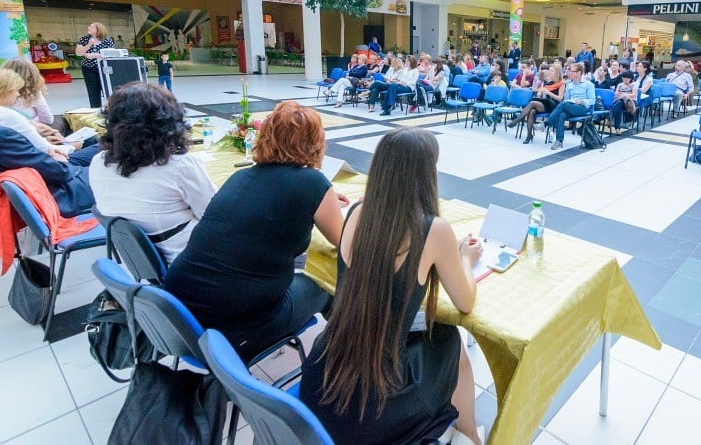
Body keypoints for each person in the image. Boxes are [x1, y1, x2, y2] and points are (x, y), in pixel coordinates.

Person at [299, 129, 482, 444]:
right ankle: (469, 435)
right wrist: (466, 257)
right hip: (376, 406)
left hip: (322, 377)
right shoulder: (431, 229)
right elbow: (465, 302)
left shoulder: (357, 212)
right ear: (427, 174)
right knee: (450, 338)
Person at [164, 102, 346, 360]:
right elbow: (345, 242)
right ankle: (344, 357)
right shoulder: (313, 182)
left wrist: (322, 200)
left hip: (179, 316)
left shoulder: (241, 177)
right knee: (326, 280)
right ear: (316, 143)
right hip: (234, 328)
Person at [89, 82, 215, 263]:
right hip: (189, 259)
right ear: (166, 122)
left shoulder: (98, 162)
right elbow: (213, 216)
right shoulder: (179, 167)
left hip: (138, 262)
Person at [0, 75, 96, 218]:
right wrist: (58, 157)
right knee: (113, 167)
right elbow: (60, 172)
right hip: (58, 194)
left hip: (41, 188)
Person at [0, 66, 76, 157]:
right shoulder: (8, 116)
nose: (18, 94)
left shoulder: (0, 114)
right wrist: (73, 146)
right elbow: (46, 149)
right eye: (16, 89)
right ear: (4, 91)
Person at [509, 66, 565, 144]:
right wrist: (540, 92)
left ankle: (517, 120)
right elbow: (540, 91)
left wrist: (549, 93)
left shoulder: (561, 84)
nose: (549, 72)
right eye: (550, 70)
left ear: (557, 73)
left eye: (552, 71)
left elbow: (560, 99)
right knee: (531, 111)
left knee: (532, 103)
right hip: (545, 102)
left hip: (553, 105)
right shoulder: (547, 82)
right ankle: (529, 135)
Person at [548, 62, 595, 151]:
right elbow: (566, 99)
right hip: (570, 106)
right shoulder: (569, 85)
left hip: (582, 108)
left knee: (563, 104)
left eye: (572, 71)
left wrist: (582, 101)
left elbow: (592, 100)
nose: (570, 73)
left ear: (579, 72)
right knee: (561, 114)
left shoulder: (588, 85)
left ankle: (548, 122)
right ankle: (559, 141)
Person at [75, 22, 114, 108]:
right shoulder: (84, 39)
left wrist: (93, 55)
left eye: (92, 27)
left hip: (104, 68)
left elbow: (111, 54)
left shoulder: (107, 40)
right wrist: (89, 44)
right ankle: (95, 109)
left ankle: (111, 109)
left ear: (98, 29)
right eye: (89, 26)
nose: (89, 27)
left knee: (107, 90)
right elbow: (78, 53)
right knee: (93, 91)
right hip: (88, 68)